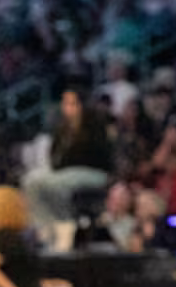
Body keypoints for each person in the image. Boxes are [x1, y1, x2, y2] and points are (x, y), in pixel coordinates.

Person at [23, 91, 115, 252]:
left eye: (72, 104)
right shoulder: (62, 128)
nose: (68, 108)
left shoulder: (94, 126)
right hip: (65, 172)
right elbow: (55, 156)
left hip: (93, 172)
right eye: (65, 104)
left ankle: (65, 224)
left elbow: (94, 157)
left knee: (56, 184)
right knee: (31, 180)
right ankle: (44, 227)